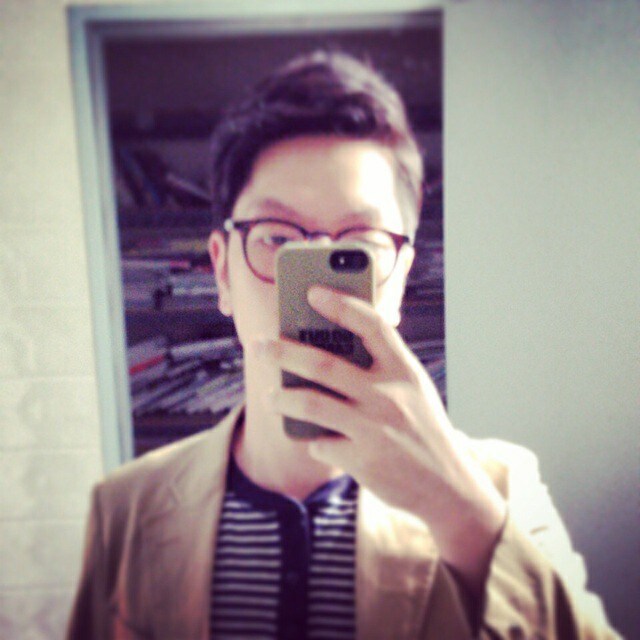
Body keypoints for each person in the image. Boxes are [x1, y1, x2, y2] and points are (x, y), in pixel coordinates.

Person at [67, 50, 620, 640]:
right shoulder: (125, 509)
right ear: (223, 272)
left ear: (400, 277)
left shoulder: (501, 490)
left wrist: (460, 513)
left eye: (357, 247)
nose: (314, 289)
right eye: (277, 238)